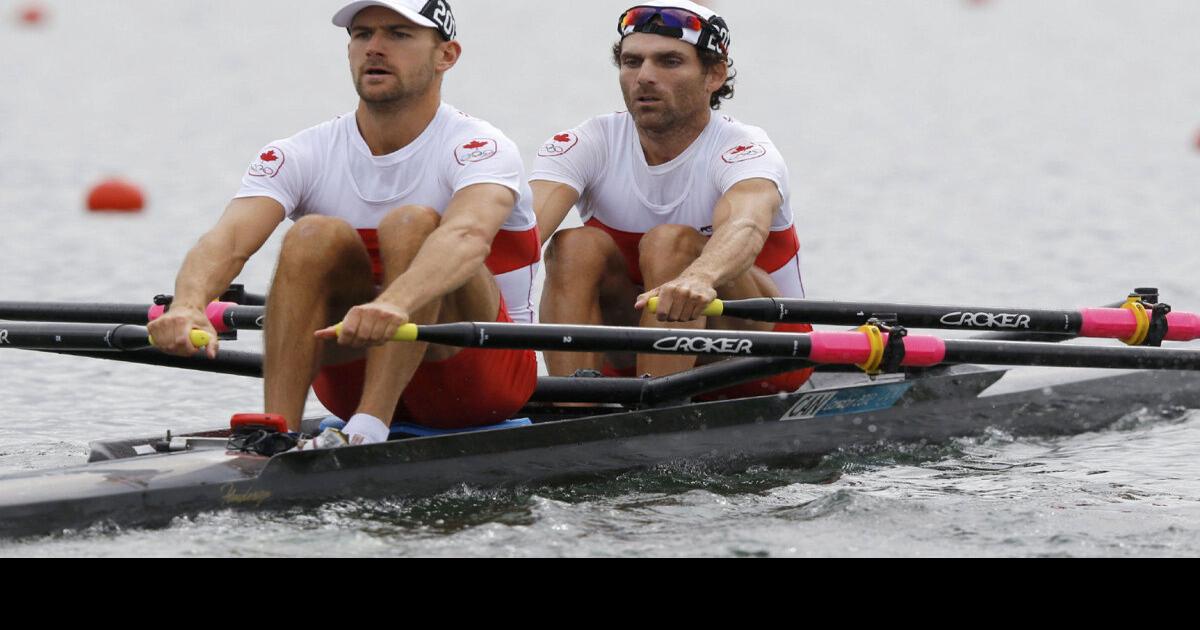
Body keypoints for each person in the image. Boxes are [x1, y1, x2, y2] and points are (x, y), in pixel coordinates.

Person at [148, 0, 539, 444]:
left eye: (398, 34)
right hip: (348, 370)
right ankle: (276, 431)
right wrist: (189, 303)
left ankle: (370, 427)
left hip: (478, 376)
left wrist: (395, 303)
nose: (374, 47)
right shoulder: (302, 152)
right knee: (313, 233)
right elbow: (228, 239)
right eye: (362, 34)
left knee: (412, 223)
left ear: (446, 55)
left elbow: (468, 237)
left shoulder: (480, 147)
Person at [530, 0, 812, 398]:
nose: (644, 76)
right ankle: (573, 402)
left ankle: (653, 408)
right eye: (632, 62)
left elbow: (746, 226)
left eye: (669, 62)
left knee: (670, 243)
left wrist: (701, 276)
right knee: (571, 245)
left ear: (714, 75)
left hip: (760, 359)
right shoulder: (588, 144)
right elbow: (519, 237)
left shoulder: (744, 151)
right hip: (629, 357)